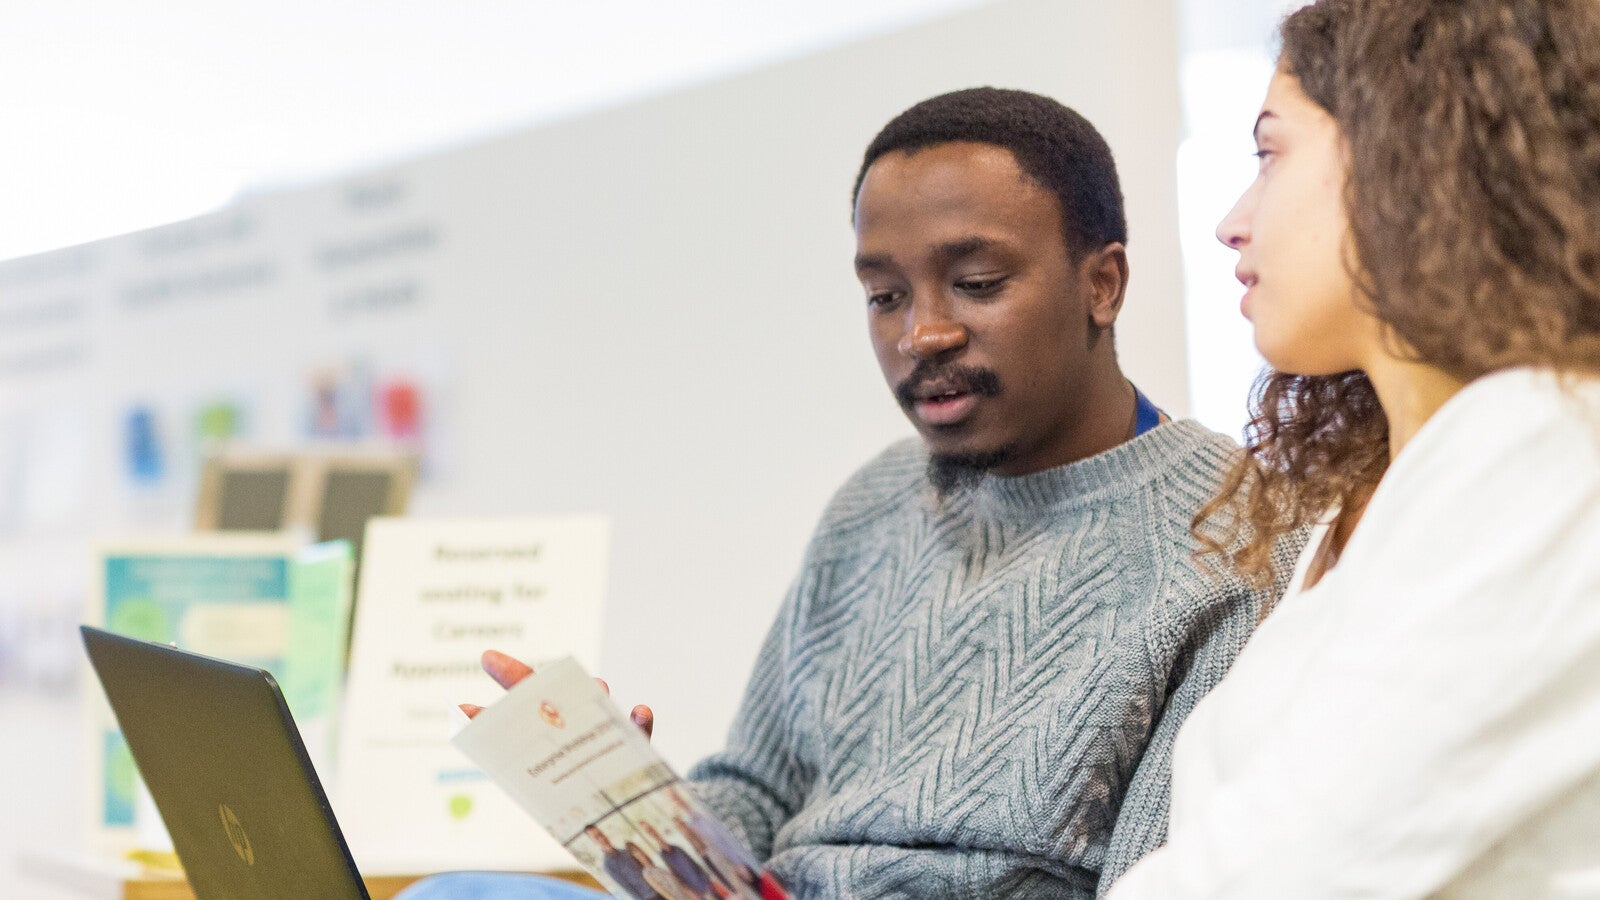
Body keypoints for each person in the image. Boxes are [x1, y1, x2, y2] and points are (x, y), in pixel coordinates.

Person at [453, 87, 1300, 898]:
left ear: (1102, 285)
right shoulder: (877, 500)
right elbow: (757, 790)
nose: (921, 334)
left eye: (976, 283)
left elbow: (1157, 881)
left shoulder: (1241, 543)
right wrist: (643, 813)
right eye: (885, 297)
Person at [1106, 1, 1600, 896]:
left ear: (1410, 153)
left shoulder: (1541, 446)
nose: (1232, 221)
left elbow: (1271, 874)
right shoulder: (1376, 492)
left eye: (1269, 154)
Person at [638, 820, 718, 900]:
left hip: (707, 884)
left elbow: (696, 860)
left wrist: (710, 880)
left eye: (651, 828)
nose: (652, 833)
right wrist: (689, 893)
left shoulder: (676, 841)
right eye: (648, 832)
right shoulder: (659, 860)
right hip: (695, 894)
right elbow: (674, 880)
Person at [588, 825, 663, 900]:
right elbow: (627, 888)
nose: (602, 838)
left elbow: (646, 868)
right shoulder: (608, 866)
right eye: (596, 837)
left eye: (601, 834)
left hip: (660, 889)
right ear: (594, 842)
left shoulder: (626, 852)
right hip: (649, 897)